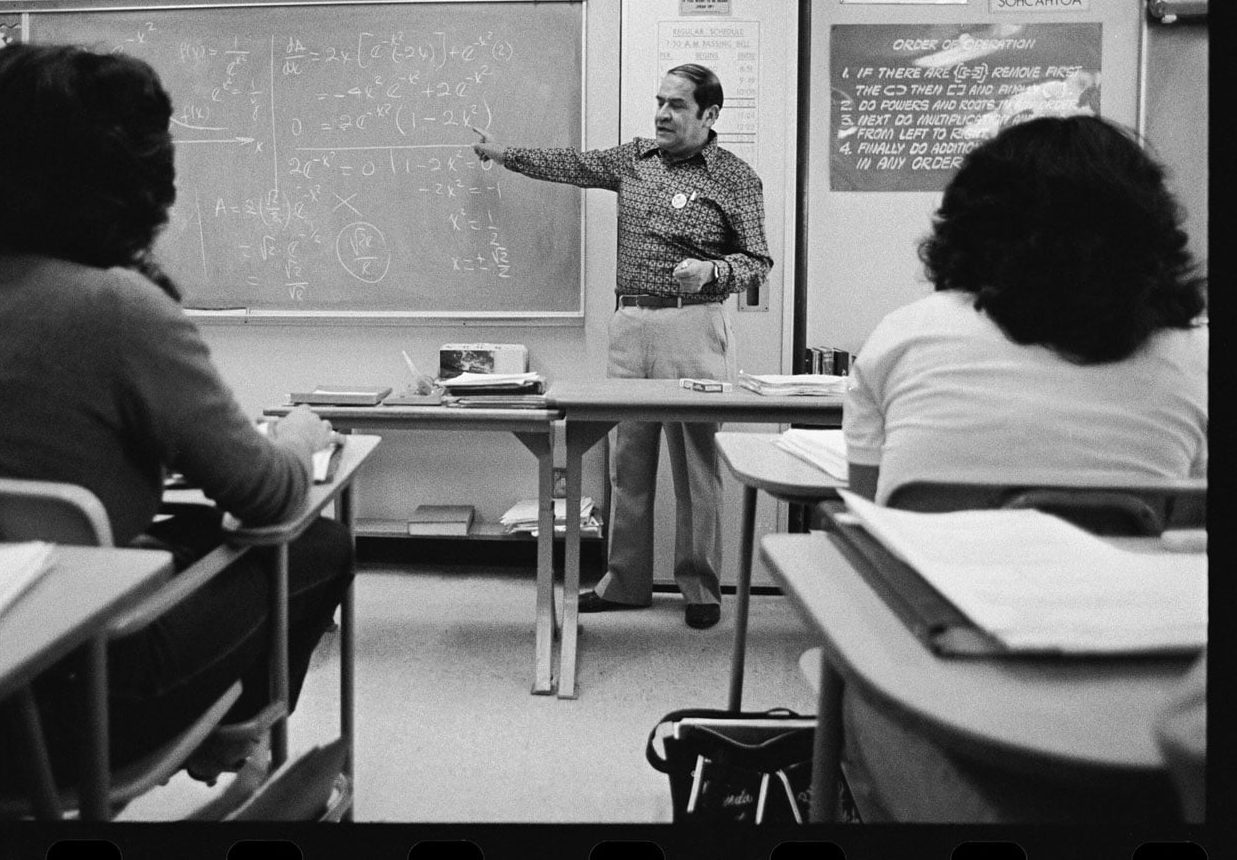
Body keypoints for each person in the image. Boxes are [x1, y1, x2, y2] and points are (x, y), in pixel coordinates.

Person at [0, 43, 353, 789]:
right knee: (318, 543)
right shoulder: (118, 309)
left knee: (189, 535)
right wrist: (296, 440)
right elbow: (265, 496)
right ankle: (229, 737)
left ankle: (224, 740)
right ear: (132, 182)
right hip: (77, 706)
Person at [840, 114, 1207, 821]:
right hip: (1142, 686)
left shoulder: (906, 336)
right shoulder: (1196, 354)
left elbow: (868, 536)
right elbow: (1192, 532)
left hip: (939, 672)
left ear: (970, 220)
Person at [471, 63, 771, 629]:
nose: (662, 114)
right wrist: (505, 154)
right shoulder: (634, 159)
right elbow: (573, 165)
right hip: (630, 324)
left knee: (696, 464)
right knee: (627, 463)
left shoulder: (735, 177)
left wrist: (712, 271)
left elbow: (758, 261)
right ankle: (625, 583)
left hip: (694, 326)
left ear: (709, 114)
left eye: (677, 105)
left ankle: (700, 589)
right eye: (659, 102)